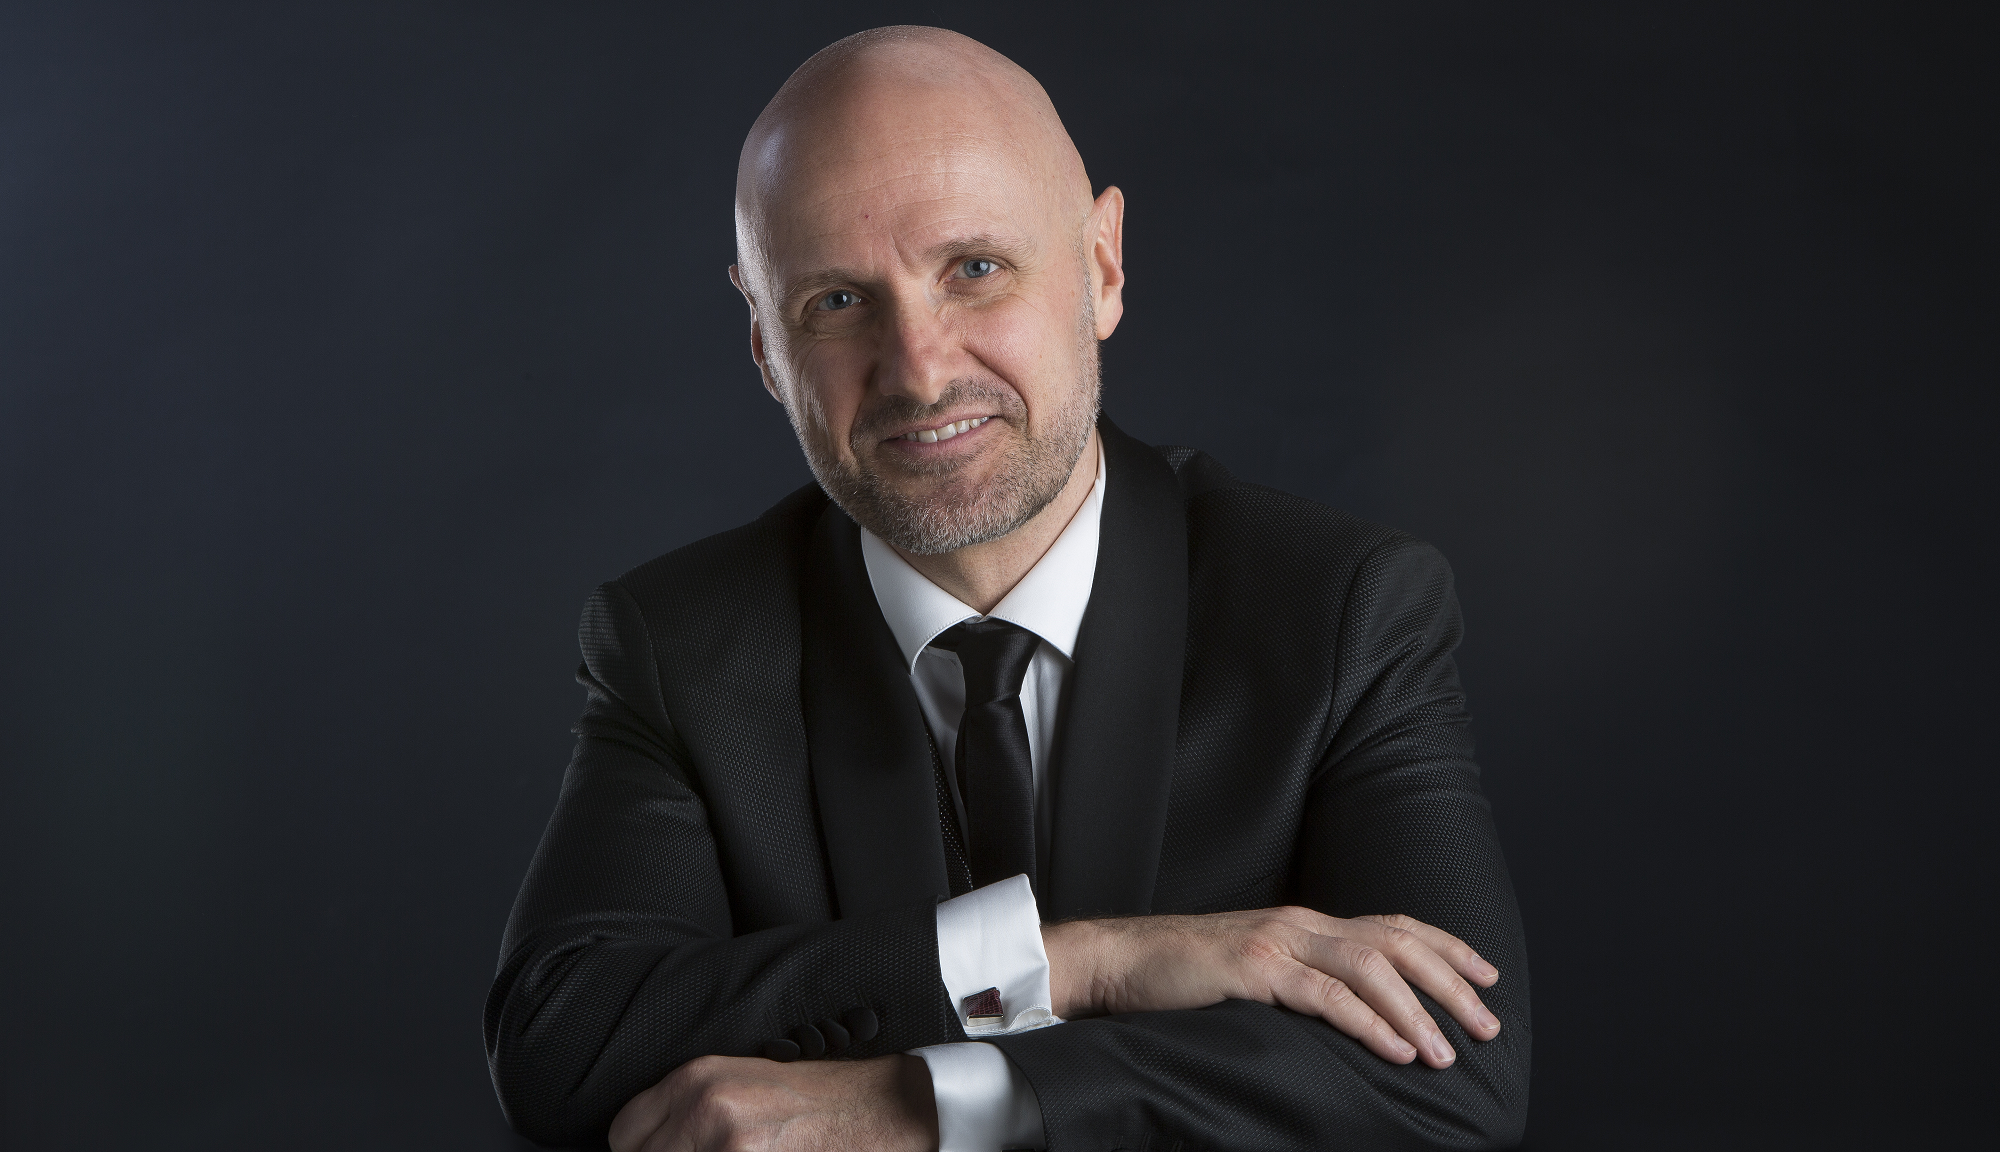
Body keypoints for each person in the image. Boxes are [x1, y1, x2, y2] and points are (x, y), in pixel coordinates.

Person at [486, 25, 1529, 1152]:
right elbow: (564, 1044)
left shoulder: (1338, 609)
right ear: (761, 342)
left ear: (1101, 267)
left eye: (974, 270)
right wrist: (1080, 963)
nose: (920, 369)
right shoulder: (681, 644)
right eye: (835, 301)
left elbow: (1454, 1077)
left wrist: (919, 1105)